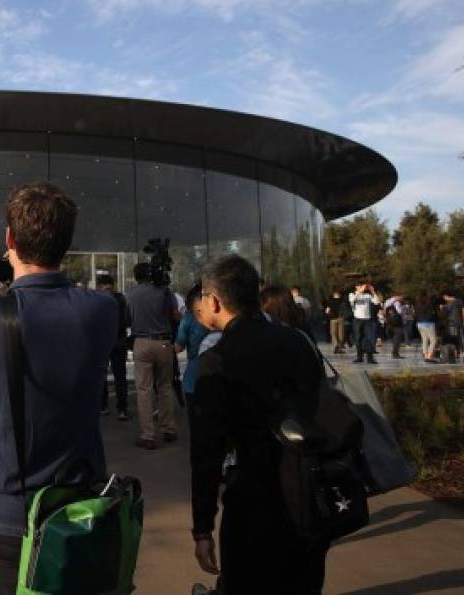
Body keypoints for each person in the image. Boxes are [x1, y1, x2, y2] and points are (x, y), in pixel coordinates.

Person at [0, 182, 117, 594]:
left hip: (8, 510)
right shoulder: (103, 310)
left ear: (10, 239)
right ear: (66, 244)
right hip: (80, 503)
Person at [190, 255, 329, 594]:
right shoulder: (298, 341)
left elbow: (207, 450)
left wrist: (203, 527)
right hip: (310, 496)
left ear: (214, 301)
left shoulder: (217, 360)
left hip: (254, 498)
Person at [125, 262, 181, 450]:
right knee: (165, 386)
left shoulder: (130, 295)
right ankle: (169, 429)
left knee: (144, 389)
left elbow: (126, 319)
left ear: (135, 276)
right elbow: (175, 316)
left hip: (141, 341)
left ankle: (147, 435)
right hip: (164, 342)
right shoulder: (165, 291)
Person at [96, 274, 131, 420]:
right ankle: (122, 409)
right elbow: (127, 320)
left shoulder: (96, 298)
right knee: (120, 376)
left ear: (99, 285)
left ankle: (102, 406)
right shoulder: (121, 299)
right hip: (119, 341)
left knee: (100, 375)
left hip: (101, 342)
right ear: (114, 284)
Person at [349, 283, 381, 364]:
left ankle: (370, 358)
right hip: (357, 319)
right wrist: (360, 291)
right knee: (358, 338)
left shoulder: (368, 296)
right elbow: (352, 301)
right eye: (360, 285)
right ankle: (359, 357)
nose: (363, 287)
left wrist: (372, 291)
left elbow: (377, 302)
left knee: (369, 339)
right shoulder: (352, 294)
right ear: (356, 287)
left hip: (367, 319)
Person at [414, 293, 439, 363]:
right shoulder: (429, 305)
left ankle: (425, 355)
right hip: (429, 323)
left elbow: (415, 314)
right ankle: (429, 356)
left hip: (419, 324)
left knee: (424, 340)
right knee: (433, 340)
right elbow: (432, 314)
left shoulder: (417, 305)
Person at [325, 289, 346, 354]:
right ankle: (339, 348)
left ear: (333, 294)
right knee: (340, 334)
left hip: (333, 319)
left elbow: (327, 311)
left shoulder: (330, 301)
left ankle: (336, 345)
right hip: (341, 318)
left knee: (333, 333)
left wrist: (327, 314)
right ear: (339, 294)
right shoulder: (342, 301)